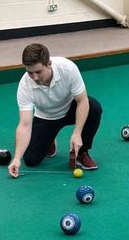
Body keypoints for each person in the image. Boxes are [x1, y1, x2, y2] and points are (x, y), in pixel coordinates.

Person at [8, 43, 102, 178]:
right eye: (30, 72)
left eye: (38, 72)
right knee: (30, 160)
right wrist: (17, 158)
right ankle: (50, 140)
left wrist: (77, 133)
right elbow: (25, 124)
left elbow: (82, 101)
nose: (34, 77)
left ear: (49, 64)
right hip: (46, 117)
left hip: (70, 109)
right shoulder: (25, 85)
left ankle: (82, 152)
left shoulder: (68, 68)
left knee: (94, 108)